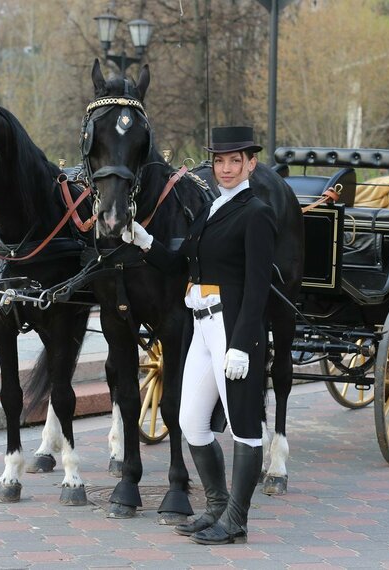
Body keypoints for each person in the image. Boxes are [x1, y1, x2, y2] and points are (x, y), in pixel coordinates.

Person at [122, 126, 276, 545]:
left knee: (245, 427)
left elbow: (259, 286)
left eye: (234, 161)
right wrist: (144, 241)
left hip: (233, 329)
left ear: (250, 164)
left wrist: (243, 343)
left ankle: (237, 519)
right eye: (220, 161)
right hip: (202, 328)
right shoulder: (211, 209)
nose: (225, 169)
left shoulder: (256, 212)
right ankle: (215, 506)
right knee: (191, 421)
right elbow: (178, 265)